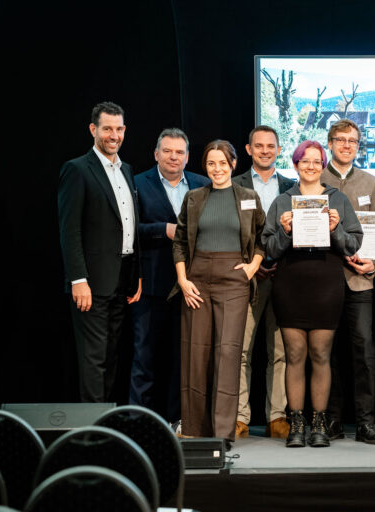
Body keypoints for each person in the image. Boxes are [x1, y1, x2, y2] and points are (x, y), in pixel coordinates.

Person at [262, 140, 363, 448]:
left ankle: (318, 422)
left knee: (320, 354)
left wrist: (335, 228)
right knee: (294, 355)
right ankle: (296, 422)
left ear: (323, 164)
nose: (309, 166)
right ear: (295, 165)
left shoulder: (337, 199)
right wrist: (284, 231)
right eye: (303, 161)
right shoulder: (283, 200)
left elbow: (353, 244)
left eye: (315, 161)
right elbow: (268, 249)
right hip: (291, 285)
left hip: (326, 285)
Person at [171, 140, 266, 445]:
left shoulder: (249, 198)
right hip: (196, 281)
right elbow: (181, 242)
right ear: (205, 166)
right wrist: (183, 281)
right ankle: (195, 430)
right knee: (196, 354)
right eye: (211, 163)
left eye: (222, 163)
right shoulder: (194, 197)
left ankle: (223, 432)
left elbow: (264, 238)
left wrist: (253, 266)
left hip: (233, 281)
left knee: (227, 354)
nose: (217, 169)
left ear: (233, 164)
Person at [58, 101, 142, 402]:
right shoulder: (77, 169)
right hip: (91, 282)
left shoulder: (127, 170)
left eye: (119, 129)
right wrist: (77, 279)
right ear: (93, 129)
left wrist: (137, 274)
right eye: (108, 129)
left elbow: (129, 224)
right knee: (93, 358)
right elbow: (70, 230)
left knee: (111, 354)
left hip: (122, 279)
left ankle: (106, 423)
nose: (114, 135)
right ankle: (93, 435)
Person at [131, 128, 209, 425]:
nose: (173, 157)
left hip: (194, 286)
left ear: (187, 157)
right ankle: (138, 423)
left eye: (179, 152)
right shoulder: (137, 183)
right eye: (167, 151)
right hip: (151, 285)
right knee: (144, 359)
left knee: (184, 360)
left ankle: (179, 422)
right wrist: (162, 229)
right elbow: (129, 231)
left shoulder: (203, 185)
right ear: (156, 154)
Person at [320, 119, 375, 444]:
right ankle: (331, 420)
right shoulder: (315, 179)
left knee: (365, 352)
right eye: (341, 139)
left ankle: (365, 422)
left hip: (360, 280)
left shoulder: (370, 182)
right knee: (326, 352)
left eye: (353, 141)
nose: (347, 145)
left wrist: (373, 263)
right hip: (325, 281)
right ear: (329, 143)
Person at [232, 126, 295, 440]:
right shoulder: (233, 185)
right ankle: (241, 417)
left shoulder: (292, 187)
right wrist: (253, 266)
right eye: (259, 146)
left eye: (271, 146)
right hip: (248, 279)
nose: (265, 151)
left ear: (279, 150)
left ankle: (277, 417)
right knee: (241, 350)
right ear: (248, 149)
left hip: (284, 277)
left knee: (280, 351)